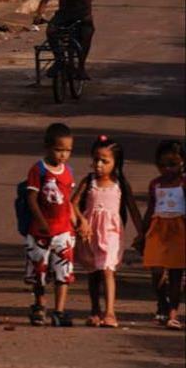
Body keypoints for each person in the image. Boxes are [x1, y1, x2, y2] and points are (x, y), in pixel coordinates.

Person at [72, 135, 143, 328]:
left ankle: (110, 312)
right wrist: (82, 220)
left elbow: (133, 210)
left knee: (108, 269)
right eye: (96, 159)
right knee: (94, 272)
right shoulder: (89, 181)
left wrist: (143, 233)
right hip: (90, 233)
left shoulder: (120, 184)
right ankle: (95, 311)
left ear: (115, 162)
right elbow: (73, 204)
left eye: (105, 161)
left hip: (111, 232)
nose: (99, 165)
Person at [24, 123, 76, 327]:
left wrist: (76, 220)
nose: (63, 155)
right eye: (59, 149)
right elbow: (31, 199)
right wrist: (41, 222)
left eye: (67, 150)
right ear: (47, 147)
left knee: (64, 272)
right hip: (40, 232)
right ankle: (39, 305)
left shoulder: (68, 171)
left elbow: (68, 200)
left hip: (63, 231)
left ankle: (59, 310)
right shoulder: (38, 170)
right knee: (39, 272)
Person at [141, 139, 185, 330]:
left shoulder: (184, 183)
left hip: (179, 230)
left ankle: (173, 313)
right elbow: (150, 209)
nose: (167, 169)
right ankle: (162, 303)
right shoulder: (155, 184)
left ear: (182, 162)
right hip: (158, 230)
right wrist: (142, 233)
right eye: (163, 165)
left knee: (176, 273)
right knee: (157, 270)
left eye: (173, 164)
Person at [33, 0, 94, 79]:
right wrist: (39, 13)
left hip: (80, 13)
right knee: (51, 31)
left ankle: (81, 67)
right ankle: (59, 60)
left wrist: (88, 15)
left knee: (86, 35)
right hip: (64, 13)